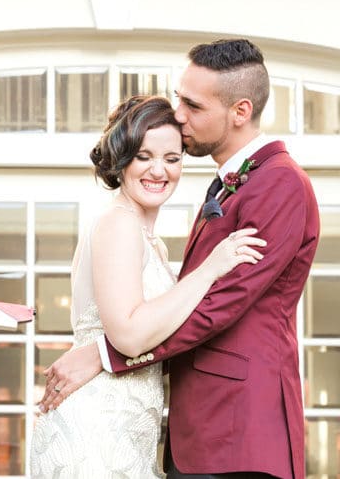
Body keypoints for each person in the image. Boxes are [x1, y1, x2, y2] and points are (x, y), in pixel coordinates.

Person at [38, 39, 320, 479]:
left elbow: (221, 304)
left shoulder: (278, 184)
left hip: (239, 429)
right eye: (178, 100)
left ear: (240, 111)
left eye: (192, 104)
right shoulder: (222, 190)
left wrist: (105, 354)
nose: (180, 115)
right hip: (187, 427)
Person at [29, 95, 265, 478]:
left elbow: (157, 336)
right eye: (144, 156)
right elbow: (129, 335)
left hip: (127, 428)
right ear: (121, 160)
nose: (159, 171)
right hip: (97, 428)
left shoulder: (149, 239)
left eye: (172, 159)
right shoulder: (118, 222)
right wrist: (209, 271)